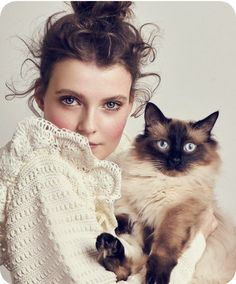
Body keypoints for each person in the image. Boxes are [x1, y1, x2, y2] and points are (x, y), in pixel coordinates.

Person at [0, 2, 217, 284]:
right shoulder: (43, 175)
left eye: (111, 104)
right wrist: (194, 243)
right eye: (70, 100)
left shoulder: (118, 157)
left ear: (132, 106)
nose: (88, 126)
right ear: (41, 96)